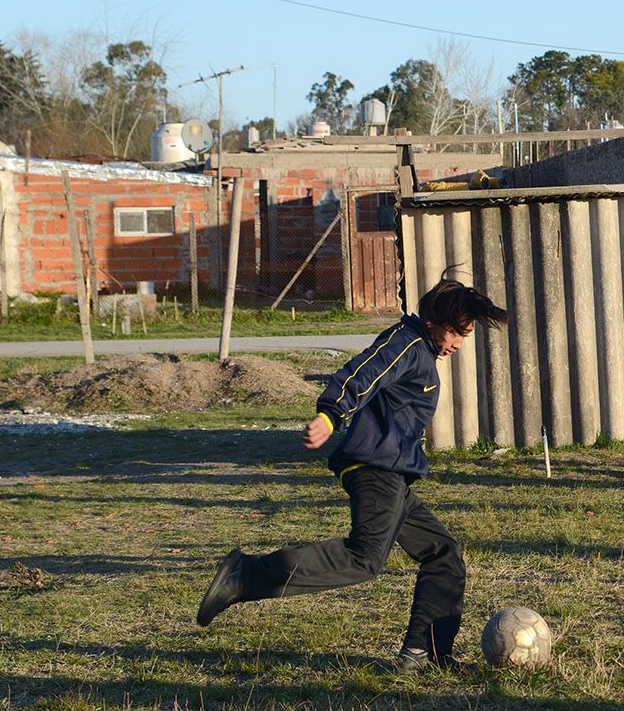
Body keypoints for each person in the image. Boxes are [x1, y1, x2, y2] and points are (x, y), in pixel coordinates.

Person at [196, 278, 507, 673]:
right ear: (431, 320)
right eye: (455, 332)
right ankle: (245, 575)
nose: (459, 343)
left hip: (394, 474)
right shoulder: (407, 345)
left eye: (465, 335)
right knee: (363, 558)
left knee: (443, 554)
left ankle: (424, 653)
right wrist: (331, 414)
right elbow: (361, 372)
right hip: (377, 470)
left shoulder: (419, 348)